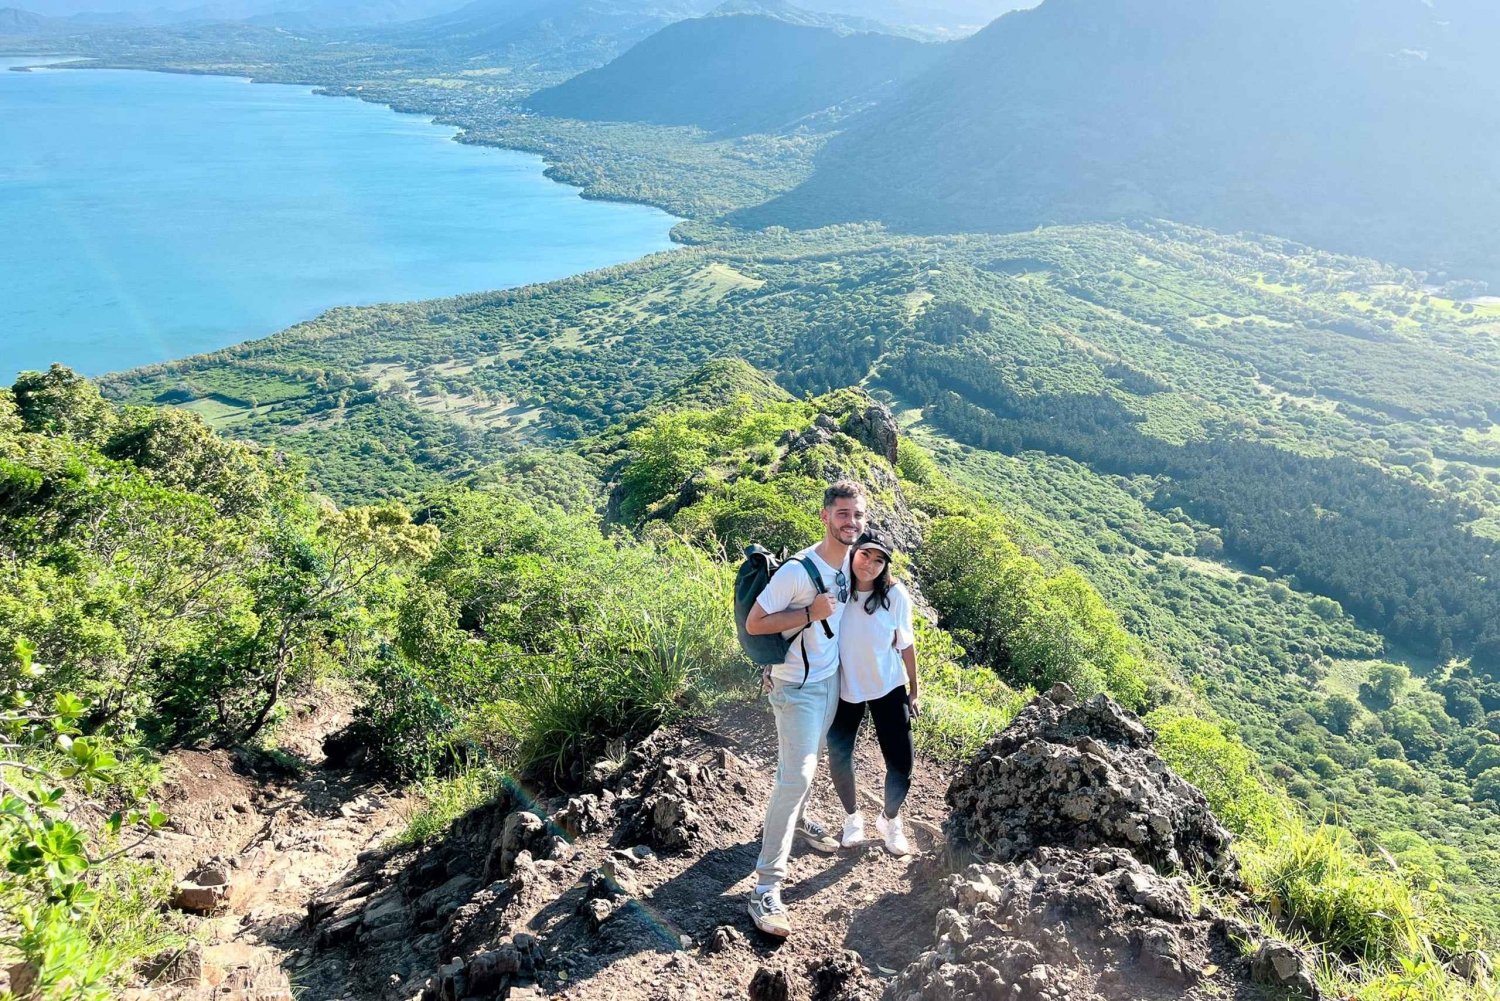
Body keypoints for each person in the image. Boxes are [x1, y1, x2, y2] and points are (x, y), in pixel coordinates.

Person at [742, 479, 868, 938]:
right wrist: (810, 614)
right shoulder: (798, 570)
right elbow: (757, 623)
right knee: (796, 775)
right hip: (796, 687)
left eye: (857, 515)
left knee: (808, 767)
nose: (850, 522)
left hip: (829, 682)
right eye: (842, 514)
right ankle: (765, 888)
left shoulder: (849, 567)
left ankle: (797, 821)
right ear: (825, 516)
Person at [827, 530, 918, 857]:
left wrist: (914, 689)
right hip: (844, 686)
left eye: (879, 560)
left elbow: (906, 644)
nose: (870, 564)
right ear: (853, 552)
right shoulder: (836, 589)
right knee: (839, 755)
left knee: (903, 762)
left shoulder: (896, 596)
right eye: (865, 554)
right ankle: (852, 818)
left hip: (888, 685)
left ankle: (889, 819)